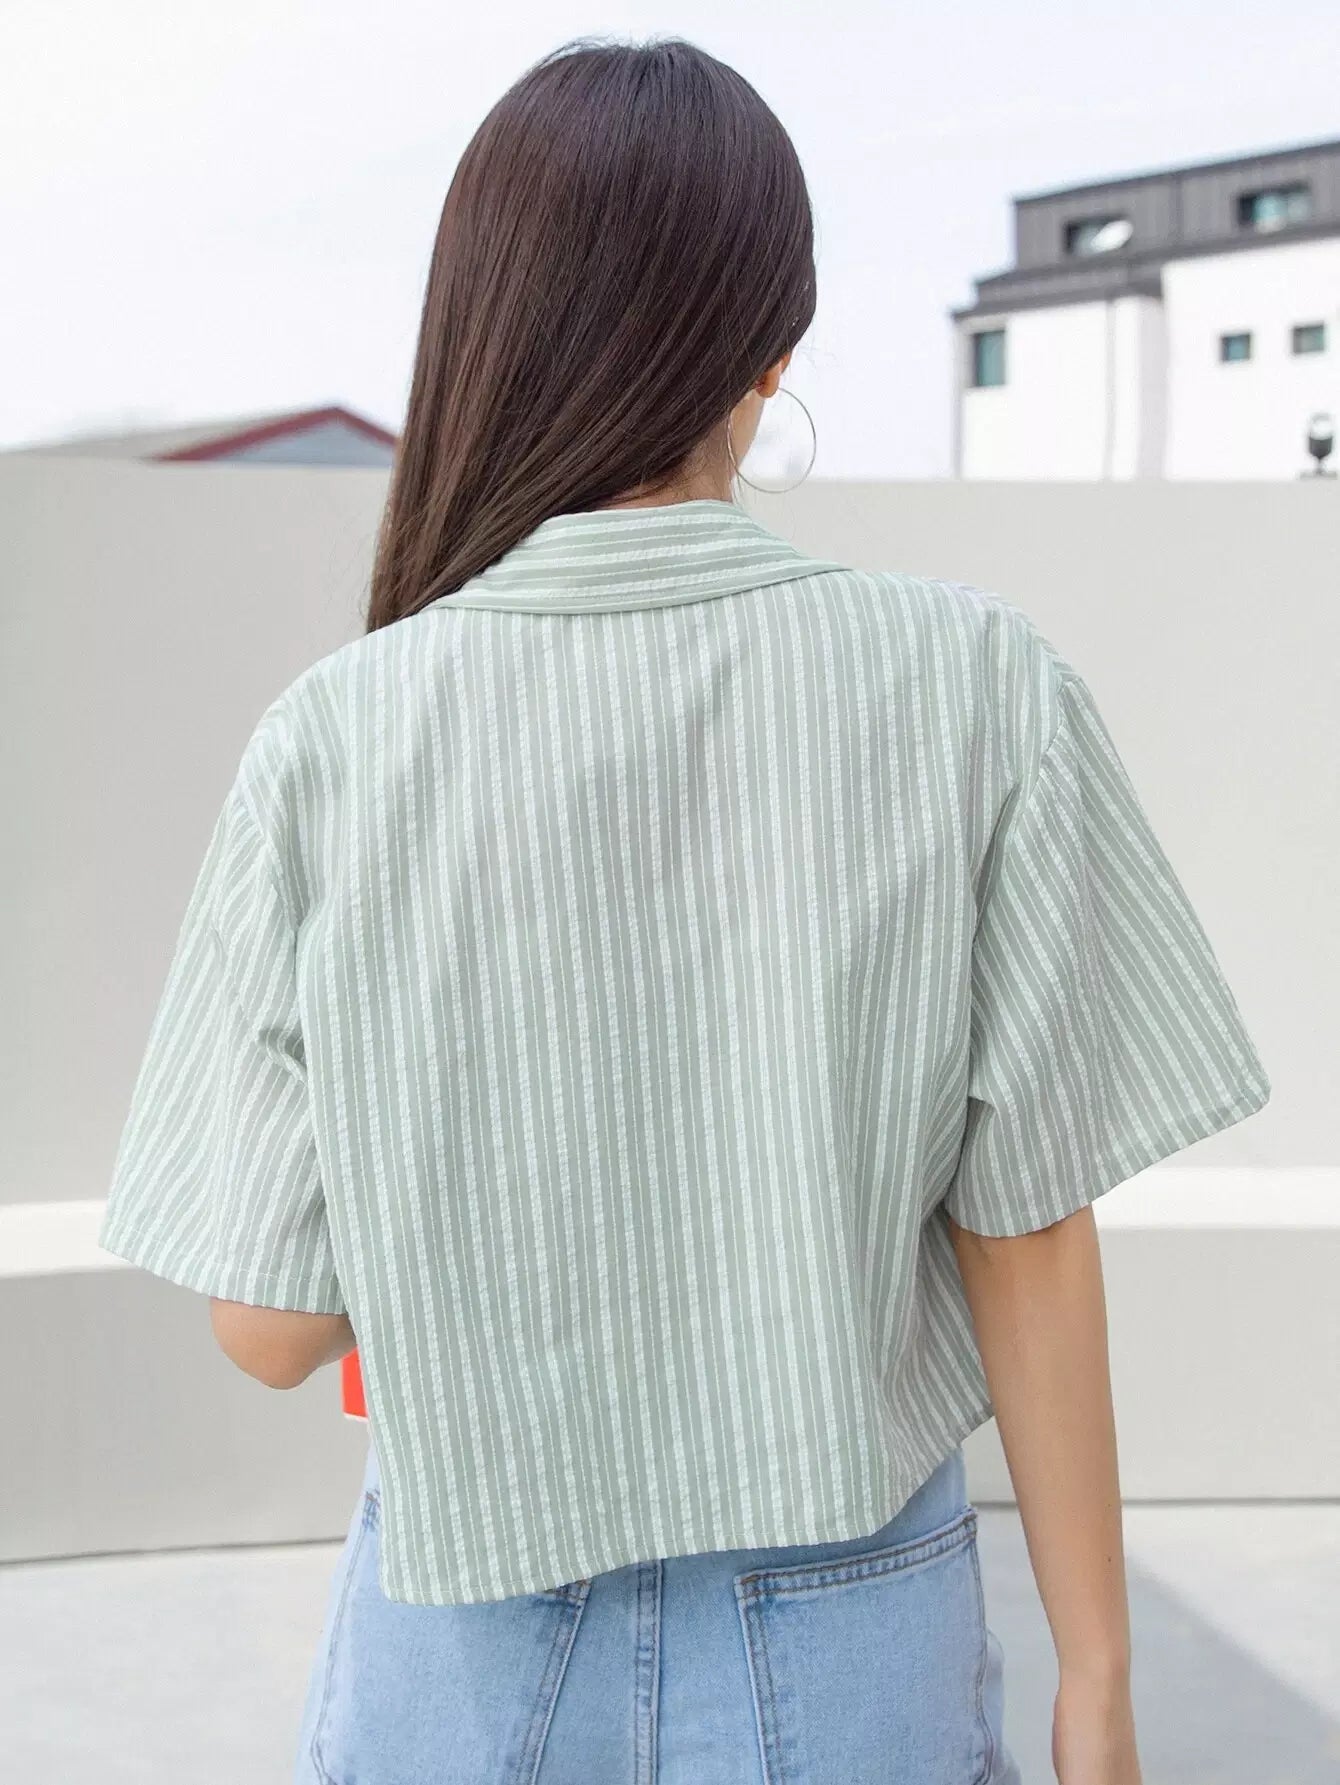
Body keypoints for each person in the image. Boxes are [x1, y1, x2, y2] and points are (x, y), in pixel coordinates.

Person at [98, 34, 1272, 1785]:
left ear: (483, 327)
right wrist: (1097, 1678)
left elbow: (266, 1332)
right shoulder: (976, 686)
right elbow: (1027, 1231)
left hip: (463, 1646)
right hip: (856, 1626)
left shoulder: (333, 741)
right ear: (777, 341)